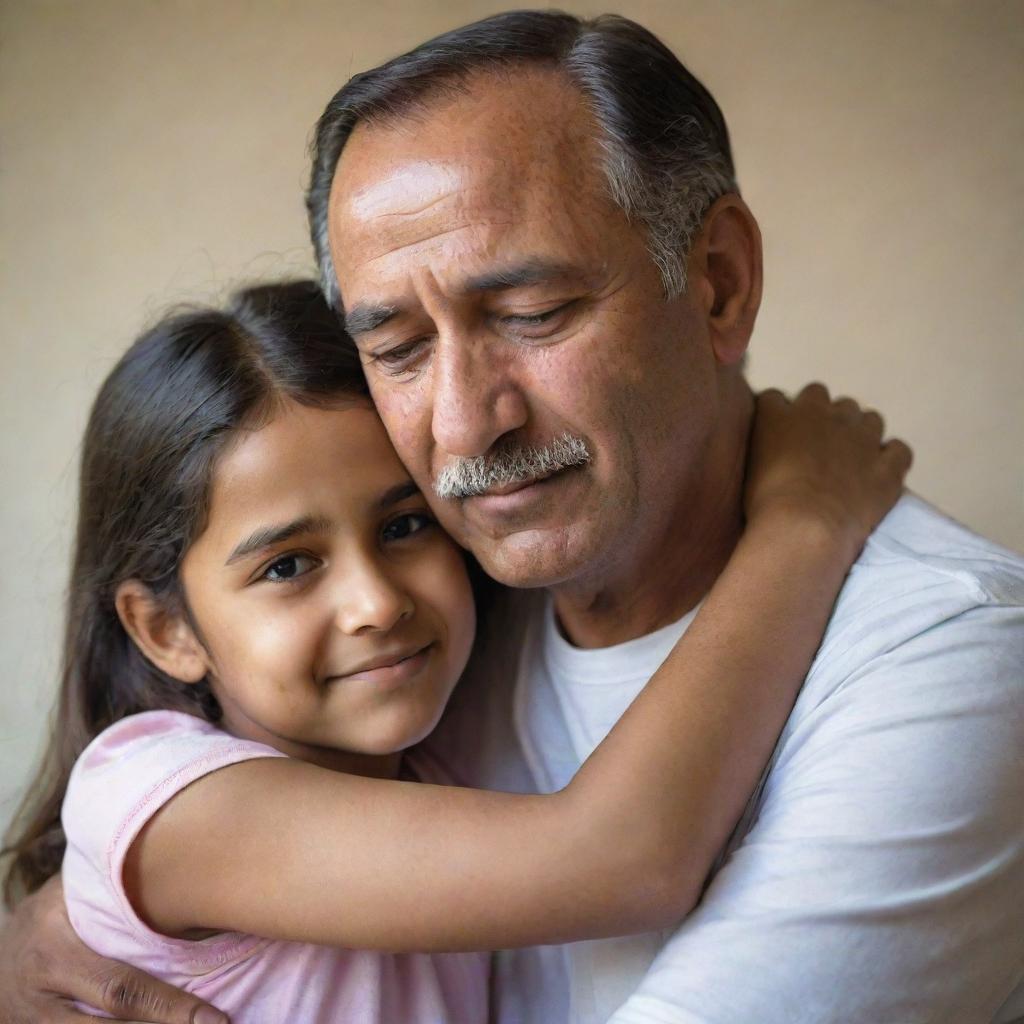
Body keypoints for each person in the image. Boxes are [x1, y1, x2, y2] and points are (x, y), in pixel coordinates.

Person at [2, 10, 1022, 1024]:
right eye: (397, 346)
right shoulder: (459, 627)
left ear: (718, 281)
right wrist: (48, 928)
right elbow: (612, 852)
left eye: (531, 315)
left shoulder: (950, 657)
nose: (463, 424)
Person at [0, 279, 906, 1022]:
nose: (375, 603)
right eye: (286, 565)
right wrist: (805, 520)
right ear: (166, 629)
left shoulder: (433, 755)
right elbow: (626, 858)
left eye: (402, 524)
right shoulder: (164, 798)